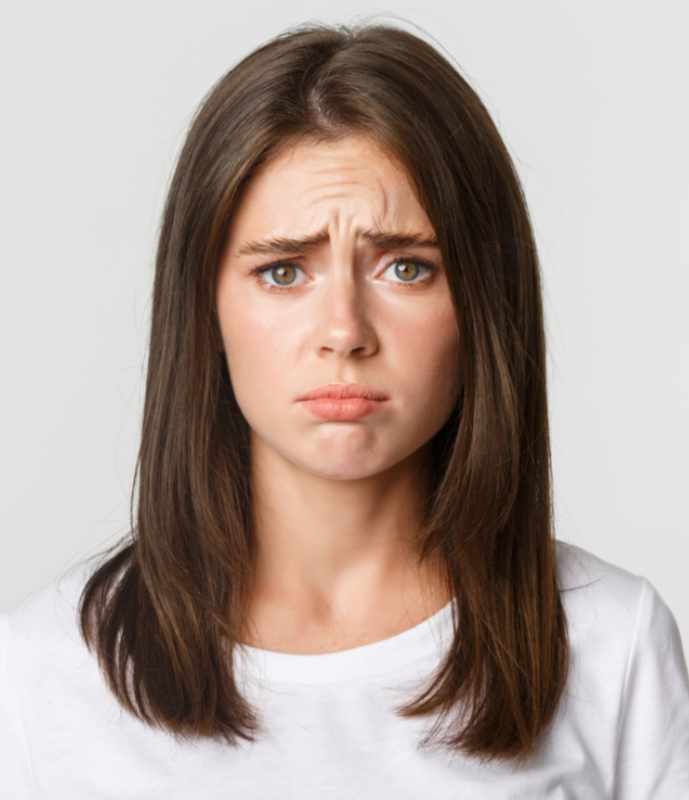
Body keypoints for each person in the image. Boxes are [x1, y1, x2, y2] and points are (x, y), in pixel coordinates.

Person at [2, 19, 688, 799]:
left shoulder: (611, 644)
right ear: (204, 307)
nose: (344, 333)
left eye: (405, 267)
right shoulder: (40, 674)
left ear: (482, 306)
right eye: (284, 272)